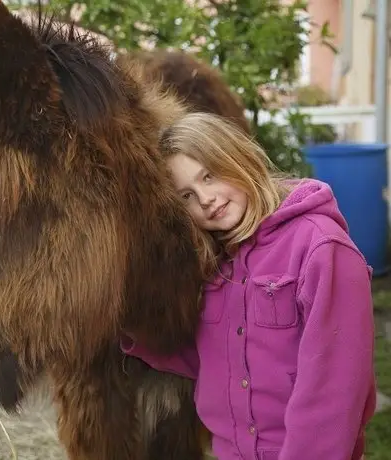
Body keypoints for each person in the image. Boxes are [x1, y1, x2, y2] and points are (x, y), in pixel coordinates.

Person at [121, 112, 377, 460]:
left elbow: (335, 391)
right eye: (186, 196)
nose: (205, 199)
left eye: (208, 176)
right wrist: (128, 330)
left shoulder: (321, 249)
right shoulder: (217, 262)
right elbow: (211, 357)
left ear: (236, 156)